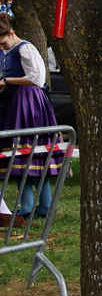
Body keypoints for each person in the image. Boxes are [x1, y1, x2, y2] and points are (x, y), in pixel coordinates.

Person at [1, 17, 59, 225]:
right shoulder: (6, 52)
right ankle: (27, 205)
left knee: (34, 153)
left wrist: (6, 81)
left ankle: (44, 205)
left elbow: (36, 78)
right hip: (13, 105)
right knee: (16, 156)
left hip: (30, 105)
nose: (1, 47)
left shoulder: (26, 49)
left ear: (11, 33)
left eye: (2, 42)